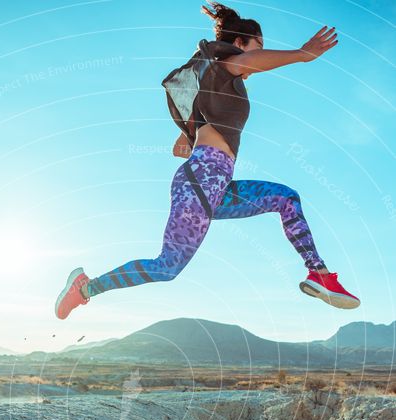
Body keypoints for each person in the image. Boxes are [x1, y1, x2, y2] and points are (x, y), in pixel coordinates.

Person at [55, 2, 360, 320]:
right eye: (259, 44)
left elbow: (191, 135)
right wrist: (302, 53)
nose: (259, 53)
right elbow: (249, 62)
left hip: (213, 186)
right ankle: (85, 288)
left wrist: (190, 138)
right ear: (240, 43)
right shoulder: (223, 63)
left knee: (286, 199)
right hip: (203, 181)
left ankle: (319, 274)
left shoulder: (219, 84)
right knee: (167, 267)